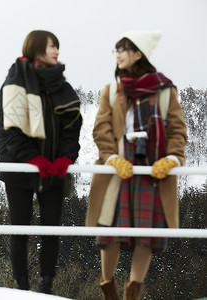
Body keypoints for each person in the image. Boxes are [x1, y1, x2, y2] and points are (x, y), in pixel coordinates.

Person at [86, 31, 187, 300]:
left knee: (147, 233)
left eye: (123, 49)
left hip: (153, 167)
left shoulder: (165, 91)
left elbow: (178, 131)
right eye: (116, 50)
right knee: (110, 229)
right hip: (118, 165)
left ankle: (133, 292)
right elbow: (101, 129)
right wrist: (111, 158)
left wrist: (171, 158)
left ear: (139, 54)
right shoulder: (112, 90)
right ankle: (108, 289)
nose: (118, 55)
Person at [0, 30, 82, 294]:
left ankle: (46, 287)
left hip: (54, 170)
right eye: (51, 45)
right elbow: (8, 128)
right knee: (19, 228)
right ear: (36, 48)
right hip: (20, 169)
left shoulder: (62, 86)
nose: (57, 50)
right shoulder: (15, 81)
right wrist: (33, 159)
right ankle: (21, 288)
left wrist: (66, 158)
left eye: (57, 45)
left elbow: (72, 127)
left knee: (51, 228)